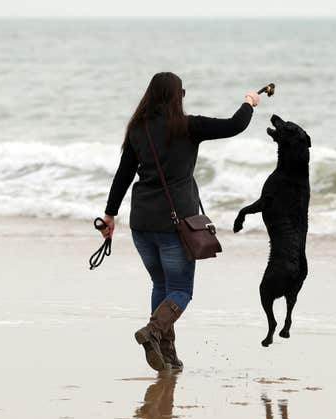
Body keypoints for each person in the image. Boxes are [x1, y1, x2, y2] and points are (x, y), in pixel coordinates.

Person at [100, 72, 260, 371]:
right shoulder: (187, 126)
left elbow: (123, 175)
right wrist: (249, 102)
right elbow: (235, 125)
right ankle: (153, 331)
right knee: (181, 290)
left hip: (141, 223)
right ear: (178, 96)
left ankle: (167, 355)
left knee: (161, 284)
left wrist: (110, 215)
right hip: (174, 225)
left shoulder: (138, 129)